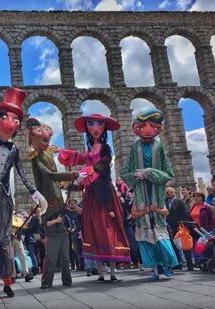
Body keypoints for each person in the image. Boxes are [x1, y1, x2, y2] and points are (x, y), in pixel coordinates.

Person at [0, 87, 44, 299]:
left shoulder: (15, 150)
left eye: (15, 118)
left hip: (6, 198)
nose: (11, 122)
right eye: (6, 116)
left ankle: (8, 282)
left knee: (5, 242)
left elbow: (22, 173)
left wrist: (35, 193)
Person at [59, 113, 130, 282]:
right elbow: (79, 165)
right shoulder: (88, 151)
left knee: (108, 231)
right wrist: (70, 183)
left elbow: (102, 166)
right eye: (91, 124)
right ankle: (100, 273)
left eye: (99, 124)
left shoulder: (105, 148)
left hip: (104, 193)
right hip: (91, 194)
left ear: (104, 127)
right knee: (93, 232)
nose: (96, 129)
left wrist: (85, 172)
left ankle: (112, 273)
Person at [120, 108, 178, 281]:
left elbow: (168, 174)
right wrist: (136, 177)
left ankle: (167, 266)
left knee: (161, 238)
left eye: (151, 126)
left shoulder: (159, 146)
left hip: (156, 195)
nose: (146, 130)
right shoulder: (134, 147)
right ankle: (154, 269)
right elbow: (125, 173)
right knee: (146, 238)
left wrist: (149, 172)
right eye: (142, 126)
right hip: (140, 195)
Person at [26, 118, 83, 288]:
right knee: (50, 256)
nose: (46, 143)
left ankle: (67, 280)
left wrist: (71, 182)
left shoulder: (49, 153)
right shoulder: (35, 157)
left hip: (59, 204)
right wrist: (71, 175)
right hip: (50, 206)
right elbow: (50, 175)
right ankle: (46, 282)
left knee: (65, 255)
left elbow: (56, 175)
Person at [165, 187, 193, 270]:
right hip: (170, 227)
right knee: (174, 245)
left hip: (179, 226)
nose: (169, 193)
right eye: (167, 192)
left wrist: (183, 224)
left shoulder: (179, 201)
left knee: (185, 245)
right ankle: (178, 263)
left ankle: (190, 264)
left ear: (174, 193)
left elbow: (185, 213)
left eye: (170, 192)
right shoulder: (165, 202)